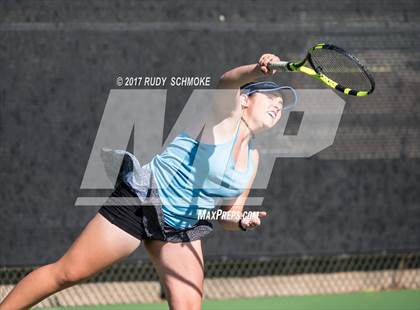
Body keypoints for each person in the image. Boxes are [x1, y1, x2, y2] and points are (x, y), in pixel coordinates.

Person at [0, 54, 296, 310]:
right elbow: (226, 81)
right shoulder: (224, 119)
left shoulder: (253, 158)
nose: (277, 106)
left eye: (282, 104)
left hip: (183, 227)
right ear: (245, 100)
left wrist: (242, 220)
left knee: (190, 305)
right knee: (68, 273)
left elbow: (228, 217)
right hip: (144, 201)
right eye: (271, 97)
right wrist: (258, 70)